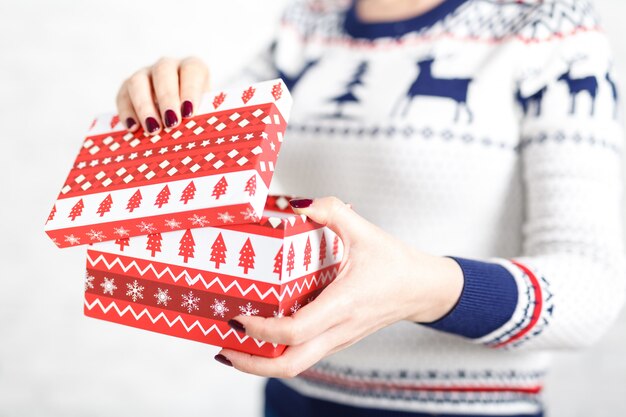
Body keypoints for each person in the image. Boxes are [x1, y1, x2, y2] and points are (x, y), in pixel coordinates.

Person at [115, 0, 626, 416]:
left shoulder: (546, 25)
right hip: (292, 400)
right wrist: (171, 102)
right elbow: (200, 176)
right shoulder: (309, 24)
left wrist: (421, 291)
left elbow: (593, 291)